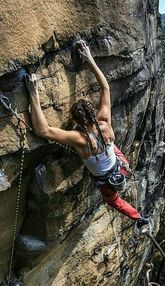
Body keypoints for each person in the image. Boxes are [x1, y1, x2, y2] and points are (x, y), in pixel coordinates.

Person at [25, 40, 149, 228]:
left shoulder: (80, 139)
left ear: (77, 122)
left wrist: (33, 94)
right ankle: (136, 207)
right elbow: (105, 87)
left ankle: (138, 217)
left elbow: (43, 131)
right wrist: (89, 58)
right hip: (119, 162)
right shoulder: (104, 121)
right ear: (93, 113)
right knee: (110, 147)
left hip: (105, 178)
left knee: (114, 201)